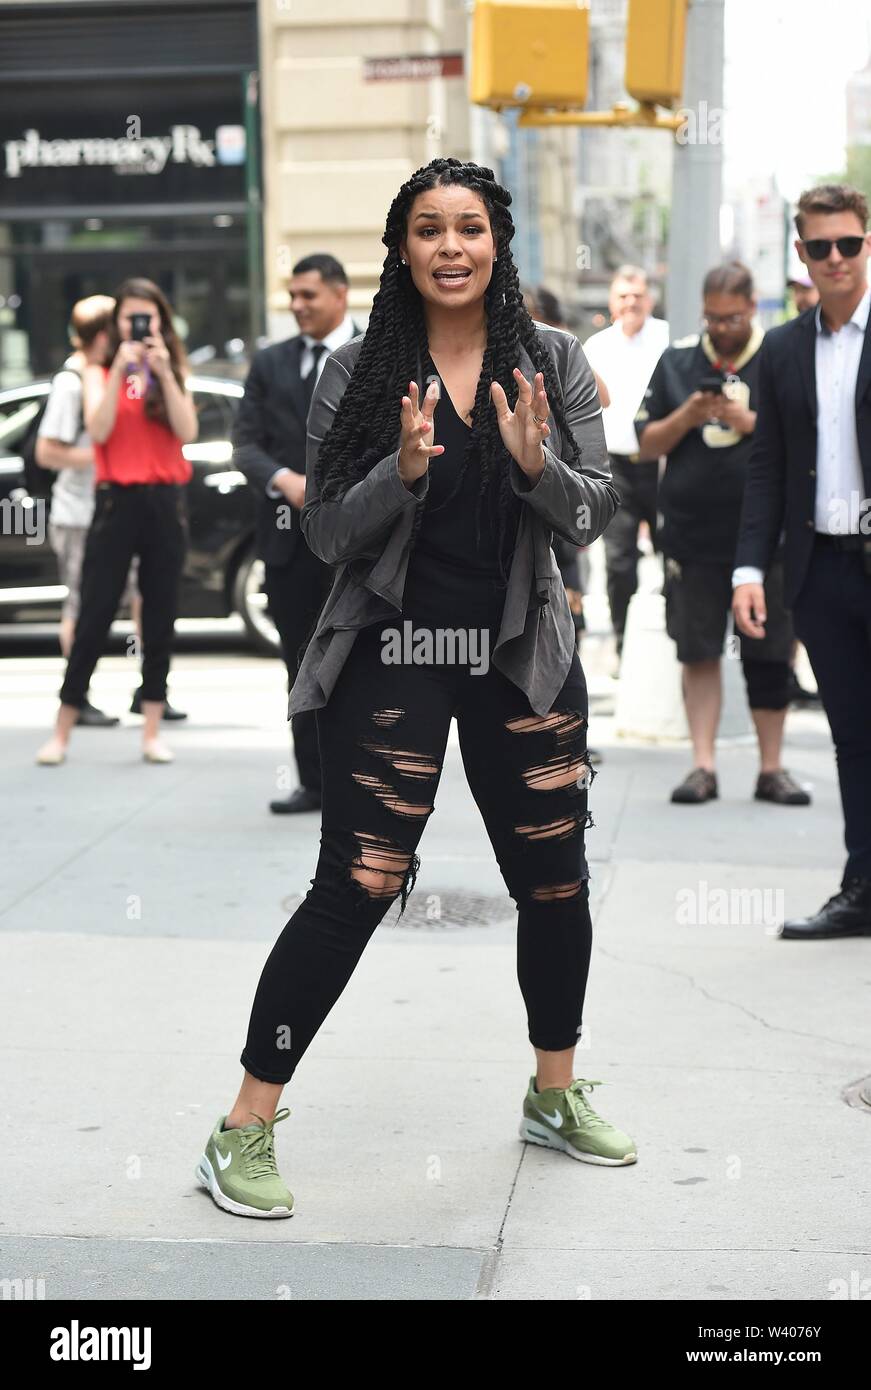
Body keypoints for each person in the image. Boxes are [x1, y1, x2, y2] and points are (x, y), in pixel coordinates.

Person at [196, 158, 636, 1220]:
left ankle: (553, 1090)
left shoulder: (552, 361)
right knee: (359, 880)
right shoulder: (355, 369)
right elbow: (326, 532)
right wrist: (397, 472)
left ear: (497, 243)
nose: (451, 247)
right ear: (401, 248)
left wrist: (536, 468)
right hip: (397, 651)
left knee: (555, 879)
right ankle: (242, 1124)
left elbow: (596, 514)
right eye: (429, 229)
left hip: (517, 647)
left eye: (470, 228)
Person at [733, 184, 871, 938]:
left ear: (866, 245)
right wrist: (748, 570)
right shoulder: (782, 348)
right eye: (819, 247)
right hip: (820, 570)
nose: (834, 259)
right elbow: (766, 467)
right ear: (800, 255)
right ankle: (861, 887)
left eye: (847, 243)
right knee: (852, 734)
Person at [635, 261, 810, 807]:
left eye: (731, 318)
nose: (721, 329)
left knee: (770, 649)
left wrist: (748, 421)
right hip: (692, 534)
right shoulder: (679, 360)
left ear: (752, 309)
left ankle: (771, 767)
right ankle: (703, 765)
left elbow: (807, 438)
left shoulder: (778, 355)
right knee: (698, 649)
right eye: (712, 318)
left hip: (768, 536)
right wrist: (687, 415)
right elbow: (645, 444)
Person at [36, 278, 197, 766]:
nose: (139, 325)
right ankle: (62, 729)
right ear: (116, 323)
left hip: (165, 502)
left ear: (162, 322)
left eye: (148, 316)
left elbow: (187, 431)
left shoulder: (173, 368)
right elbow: (100, 430)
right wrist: (118, 373)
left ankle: (150, 729)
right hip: (116, 501)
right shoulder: (93, 371)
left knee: (160, 615)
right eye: (130, 317)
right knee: (94, 614)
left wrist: (164, 374)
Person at [233, 255, 363, 814]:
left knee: (363, 666)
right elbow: (244, 443)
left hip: (359, 543)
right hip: (289, 545)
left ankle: (364, 783)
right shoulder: (270, 363)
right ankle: (314, 782)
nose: (297, 305)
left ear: (339, 294)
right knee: (302, 664)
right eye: (292, 296)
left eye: (308, 295)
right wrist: (284, 480)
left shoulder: (377, 352)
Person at [582, 266, 669, 657]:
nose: (631, 303)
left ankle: (673, 639)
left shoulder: (669, 339)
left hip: (664, 465)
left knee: (674, 550)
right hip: (615, 467)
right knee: (619, 560)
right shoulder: (594, 347)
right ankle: (622, 641)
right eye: (623, 296)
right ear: (612, 302)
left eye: (637, 295)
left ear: (649, 299)